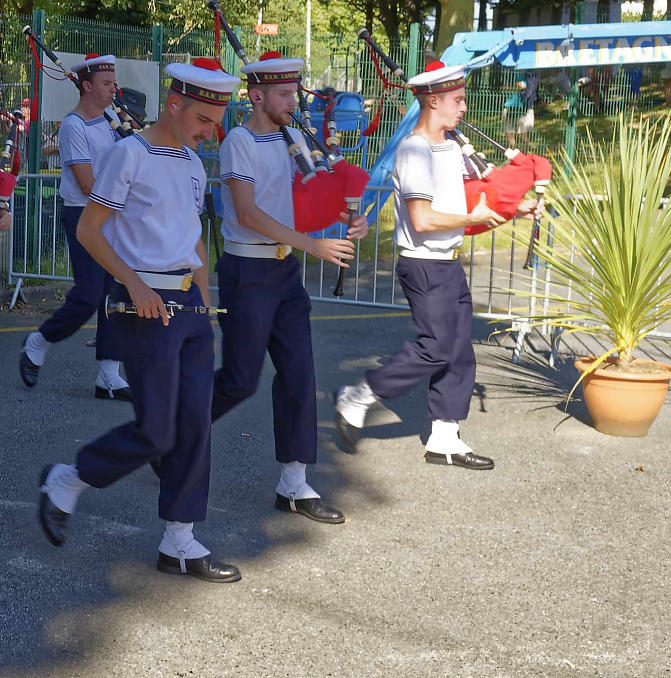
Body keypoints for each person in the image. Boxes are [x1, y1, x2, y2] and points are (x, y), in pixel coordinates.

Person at [35, 59, 243, 583]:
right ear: (174, 105)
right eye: (202, 119)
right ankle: (69, 479)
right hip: (143, 304)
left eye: (214, 122)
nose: (208, 131)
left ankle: (180, 539)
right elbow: (89, 230)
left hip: (188, 305)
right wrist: (132, 281)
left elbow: (194, 239)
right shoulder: (127, 155)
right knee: (156, 431)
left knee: (194, 427)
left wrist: (205, 305)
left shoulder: (194, 164)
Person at [335, 60, 529, 471]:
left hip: (447, 261)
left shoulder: (449, 146)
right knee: (437, 347)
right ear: (433, 101)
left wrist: (516, 208)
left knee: (459, 352)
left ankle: (444, 436)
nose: (463, 108)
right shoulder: (415, 150)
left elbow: (471, 197)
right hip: (424, 264)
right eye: (457, 101)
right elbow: (423, 220)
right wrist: (474, 220)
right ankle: (361, 395)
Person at [210, 53, 365, 524]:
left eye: (294, 92)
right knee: (239, 381)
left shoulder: (293, 136)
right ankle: (172, 433)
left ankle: (293, 484)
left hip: (284, 272)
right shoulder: (238, 142)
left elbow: (303, 201)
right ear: (257, 96)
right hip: (248, 271)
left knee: (300, 374)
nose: (292, 101)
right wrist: (314, 247)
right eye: (284, 94)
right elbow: (249, 213)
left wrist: (342, 217)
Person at [19, 54, 130, 400]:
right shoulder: (73, 127)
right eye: (107, 84)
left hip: (113, 216)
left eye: (113, 83)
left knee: (117, 293)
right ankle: (38, 341)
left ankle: (109, 376)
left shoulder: (111, 119)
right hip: (85, 216)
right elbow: (86, 182)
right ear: (87, 86)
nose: (114, 89)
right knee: (89, 294)